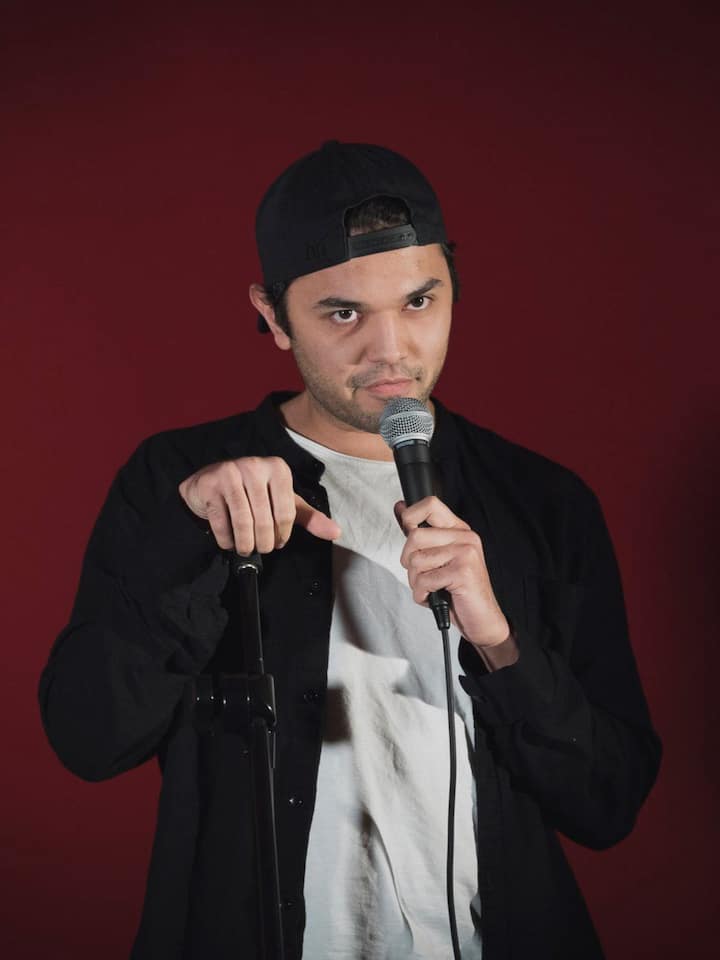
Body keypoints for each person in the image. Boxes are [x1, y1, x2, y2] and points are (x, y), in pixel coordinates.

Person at [39, 140, 661, 960]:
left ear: (453, 287)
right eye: (343, 314)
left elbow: (608, 804)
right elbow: (88, 738)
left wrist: (500, 642)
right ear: (272, 316)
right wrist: (191, 545)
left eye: (418, 301)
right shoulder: (180, 481)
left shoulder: (543, 502)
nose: (389, 350)